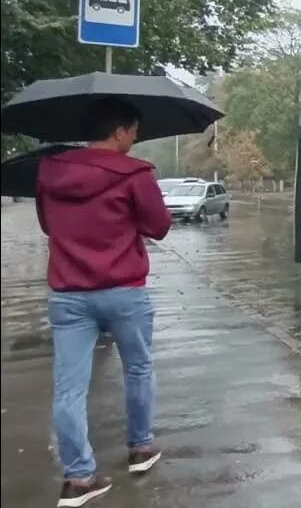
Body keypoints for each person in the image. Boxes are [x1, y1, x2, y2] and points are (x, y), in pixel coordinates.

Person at [36, 98, 172, 507]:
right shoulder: (135, 174)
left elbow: (48, 225)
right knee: (139, 368)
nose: (135, 138)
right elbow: (160, 226)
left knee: (68, 389)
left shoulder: (50, 171)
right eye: (133, 131)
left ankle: (79, 478)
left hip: (68, 295)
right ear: (118, 132)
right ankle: (140, 450)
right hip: (123, 290)